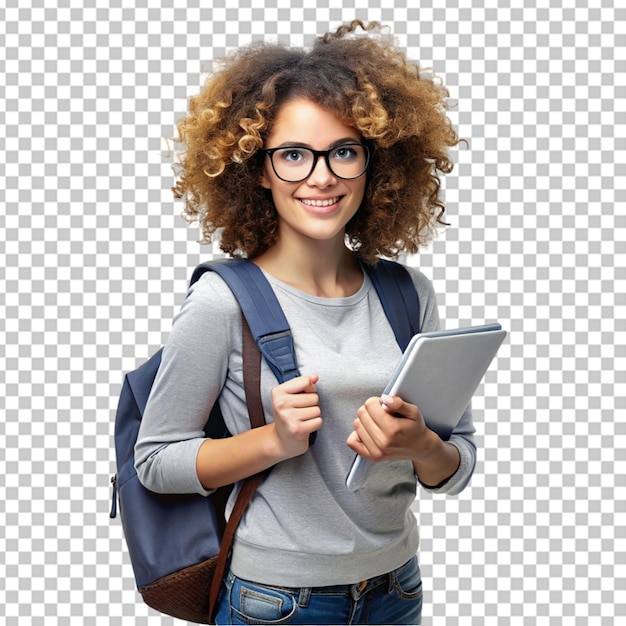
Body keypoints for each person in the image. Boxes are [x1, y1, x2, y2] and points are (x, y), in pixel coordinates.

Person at [135, 20, 476, 625]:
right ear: (259, 170)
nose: (321, 177)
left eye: (344, 151)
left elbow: (455, 465)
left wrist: (420, 444)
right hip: (277, 602)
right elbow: (156, 462)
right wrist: (272, 441)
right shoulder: (223, 301)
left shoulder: (407, 295)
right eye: (293, 155)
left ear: (375, 164)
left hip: (396, 590)